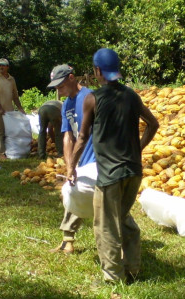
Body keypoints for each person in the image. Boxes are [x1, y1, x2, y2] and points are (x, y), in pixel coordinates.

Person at [68, 49, 159, 282]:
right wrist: (137, 149)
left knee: (106, 225)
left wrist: (71, 167)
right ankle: (132, 268)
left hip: (110, 175)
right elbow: (153, 124)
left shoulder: (93, 99)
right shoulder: (131, 96)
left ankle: (113, 276)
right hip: (133, 172)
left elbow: (82, 138)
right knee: (123, 216)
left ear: (98, 71)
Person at [46, 64, 96, 254]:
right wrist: (70, 166)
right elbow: (68, 136)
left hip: (98, 160)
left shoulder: (90, 97)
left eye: (61, 85)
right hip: (81, 160)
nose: (59, 90)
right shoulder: (66, 104)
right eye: (56, 87)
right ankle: (67, 241)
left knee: (106, 203)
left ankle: (124, 241)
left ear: (72, 78)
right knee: (72, 192)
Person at [0, 58, 26, 160]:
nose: (1, 67)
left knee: (9, 131)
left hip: (9, 110)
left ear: (7, 67)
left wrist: (20, 108)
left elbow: (15, 95)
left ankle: (9, 151)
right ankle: (0, 153)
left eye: (3, 65)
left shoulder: (11, 79)